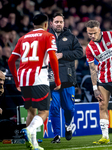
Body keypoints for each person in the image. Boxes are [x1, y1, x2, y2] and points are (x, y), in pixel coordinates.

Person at [8, 13, 61, 150]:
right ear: (46, 25)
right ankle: (30, 130)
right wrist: (57, 79)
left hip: (24, 78)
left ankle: (34, 144)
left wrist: (16, 80)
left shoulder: (23, 38)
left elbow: (10, 60)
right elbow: (53, 58)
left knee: (31, 112)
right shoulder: (48, 36)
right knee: (44, 112)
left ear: (33, 24)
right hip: (39, 76)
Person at [48, 13, 83, 143]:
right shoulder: (46, 37)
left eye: (61, 22)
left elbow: (80, 52)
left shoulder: (70, 37)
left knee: (69, 107)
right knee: (54, 107)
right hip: (51, 78)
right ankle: (56, 135)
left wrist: (62, 54)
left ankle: (68, 125)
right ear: (51, 23)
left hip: (68, 78)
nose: (58, 24)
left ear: (64, 23)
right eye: (56, 22)